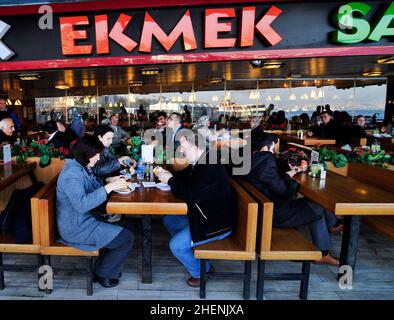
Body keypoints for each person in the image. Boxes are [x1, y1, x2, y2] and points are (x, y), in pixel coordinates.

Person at [247, 134, 341, 266]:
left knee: (314, 204)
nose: (274, 151)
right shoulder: (266, 161)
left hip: (263, 207)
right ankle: (322, 253)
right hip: (272, 213)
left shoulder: (253, 159)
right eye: (273, 148)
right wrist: (289, 178)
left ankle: (333, 225)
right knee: (316, 207)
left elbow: (267, 180)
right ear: (264, 148)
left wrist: (285, 173)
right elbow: (283, 191)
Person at [155, 132, 235, 287]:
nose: (181, 151)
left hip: (216, 224)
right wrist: (170, 175)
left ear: (196, 147)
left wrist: (170, 179)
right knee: (170, 220)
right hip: (206, 214)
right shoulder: (202, 161)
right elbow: (187, 180)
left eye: (184, 147)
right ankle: (193, 254)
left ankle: (202, 272)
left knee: (176, 246)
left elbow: (189, 194)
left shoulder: (209, 167)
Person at [56, 135, 133, 288]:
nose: (98, 158)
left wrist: (106, 182)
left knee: (126, 225)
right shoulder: (71, 174)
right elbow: (82, 205)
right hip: (76, 227)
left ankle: (105, 266)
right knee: (126, 237)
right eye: (96, 155)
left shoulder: (79, 166)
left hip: (84, 219)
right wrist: (108, 187)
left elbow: (88, 190)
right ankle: (102, 274)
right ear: (86, 154)